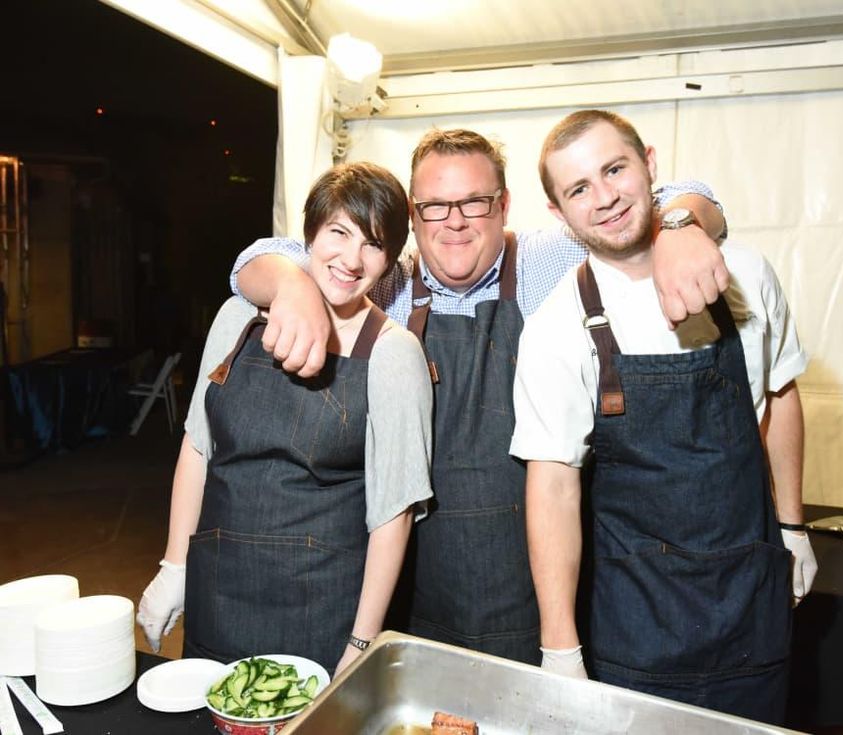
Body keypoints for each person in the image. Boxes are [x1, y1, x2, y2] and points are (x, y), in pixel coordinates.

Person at [224, 128, 730, 665]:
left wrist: (678, 226)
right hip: (410, 587)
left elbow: (654, 203)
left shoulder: (547, 262)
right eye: (435, 207)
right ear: (412, 219)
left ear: (505, 205)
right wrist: (292, 285)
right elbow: (256, 259)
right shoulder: (385, 286)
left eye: (474, 202)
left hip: (529, 588)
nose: (456, 221)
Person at [510, 109, 817, 723]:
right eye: (578, 189)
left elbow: (781, 397)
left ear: (649, 164)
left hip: (749, 600)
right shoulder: (555, 328)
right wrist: (560, 645)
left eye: (615, 169)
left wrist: (793, 527)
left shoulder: (747, 276)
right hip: (635, 621)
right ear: (558, 214)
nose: (605, 199)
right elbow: (553, 488)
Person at [136, 162, 433, 677]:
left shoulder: (392, 352)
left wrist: (362, 644)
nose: (351, 259)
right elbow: (197, 447)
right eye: (339, 233)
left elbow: (394, 514)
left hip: (319, 610)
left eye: (373, 244)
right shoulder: (238, 317)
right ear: (310, 235)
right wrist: (173, 567)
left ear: (389, 261)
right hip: (218, 593)